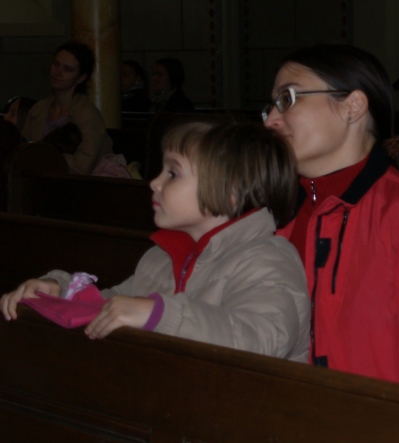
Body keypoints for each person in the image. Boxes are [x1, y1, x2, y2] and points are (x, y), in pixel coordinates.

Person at [262, 44, 399, 388]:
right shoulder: (278, 215)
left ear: (353, 106)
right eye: (271, 106)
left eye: (288, 98)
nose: (271, 120)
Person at [1, 120, 310, 361]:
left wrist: (161, 314)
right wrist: (63, 291)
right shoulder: (161, 258)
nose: (155, 182)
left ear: (231, 193)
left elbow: (261, 339)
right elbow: (110, 306)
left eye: (173, 174)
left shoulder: (268, 259)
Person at [22, 42, 114, 175]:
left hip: (78, 184)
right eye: (56, 64)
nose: (57, 72)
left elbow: (82, 166)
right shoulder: (38, 109)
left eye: (67, 69)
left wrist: (45, 156)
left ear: (81, 78)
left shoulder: (88, 115)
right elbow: (24, 151)